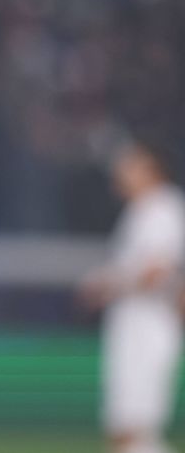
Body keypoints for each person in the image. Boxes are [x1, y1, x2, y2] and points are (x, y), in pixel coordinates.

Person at [79, 142, 185, 453]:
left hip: (149, 326)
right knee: (125, 431)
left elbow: (155, 272)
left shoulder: (164, 208)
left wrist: (107, 284)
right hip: (131, 325)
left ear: (151, 167)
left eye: (130, 163)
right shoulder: (138, 211)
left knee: (134, 431)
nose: (121, 171)